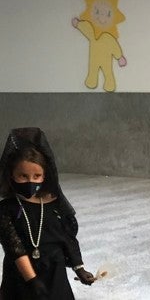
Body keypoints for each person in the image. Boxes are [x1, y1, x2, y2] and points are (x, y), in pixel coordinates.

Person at [0, 127, 96, 299]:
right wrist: (32, 281)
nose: (30, 181)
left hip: (55, 271)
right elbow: (14, 248)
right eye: (23, 175)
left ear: (45, 176)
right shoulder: (7, 208)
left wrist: (79, 268)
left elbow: (66, 238)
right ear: (11, 175)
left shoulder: (54, 203)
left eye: (37, 176)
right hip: (22, 275)